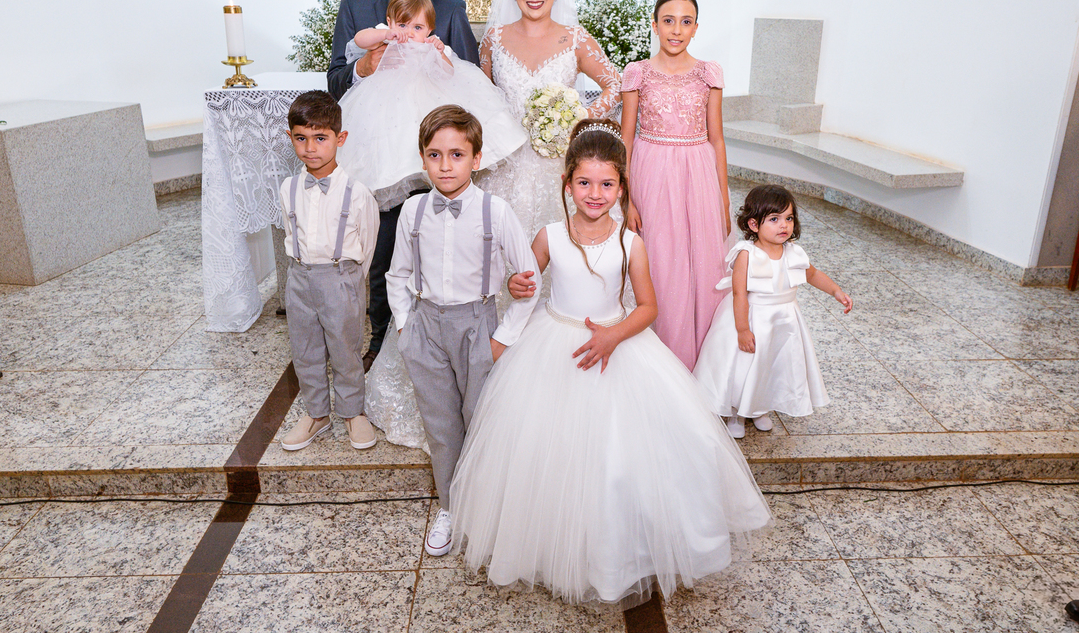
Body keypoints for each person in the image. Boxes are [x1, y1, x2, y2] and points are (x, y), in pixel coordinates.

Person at [449, 119, 772, 606]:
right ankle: (556, 546)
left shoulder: (629, 242)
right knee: (550, 452)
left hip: (617, 345)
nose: (594, 194)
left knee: (621, 457)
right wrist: (517, 284)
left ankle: (625, 551)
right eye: (584, 182)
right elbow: (523, 283)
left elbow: (648, 307)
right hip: (555, 346)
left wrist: (612, 337)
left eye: (606, 184)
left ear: (622, 187)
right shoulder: (549, 236)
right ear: (567, 183)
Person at [327, 0, 479, 370]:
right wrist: (366, 66)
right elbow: (334, 81)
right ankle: (381, 339)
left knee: (438, 247)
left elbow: (471, 80)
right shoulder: (356, 2)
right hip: (381, 149)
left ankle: (438, 340)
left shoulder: (450, 7)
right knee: (383, 248)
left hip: (438, 155)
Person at [385, 105, 541, 557]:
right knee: (440, 425)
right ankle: (450, 508)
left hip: (478, 326)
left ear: (476, 158)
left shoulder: (496, 211)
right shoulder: (413, 210)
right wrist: (405, 327)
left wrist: (502, 338)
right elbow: (397, 274)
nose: (445, 165)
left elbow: (529, 279)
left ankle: (487, 507)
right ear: (422, 158)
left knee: (481, 419)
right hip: (426, 327)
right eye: (435, 155)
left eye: (457, 154)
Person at [619, 0, 730, 372]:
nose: (677, 30)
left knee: (703, 266)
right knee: (662, 265)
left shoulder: (708, 74)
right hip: (651, 173)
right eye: (668, 20)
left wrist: (723, 199)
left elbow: (717, 139)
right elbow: (625, 140)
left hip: (698, 175)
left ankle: (704, 365)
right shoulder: (637, 73)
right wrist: (627, 199)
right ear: (654, 24)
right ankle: (661, 365)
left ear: (696, 27)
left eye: (686, 21)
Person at [477, 0, 622, 241]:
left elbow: (616, 86)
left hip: (559, 168)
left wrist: (581, 117)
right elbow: (483, 99)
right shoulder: (493, 40)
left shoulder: (576, 39)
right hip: (505, 166)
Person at [338, 0, 526, 210]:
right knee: (393, 147)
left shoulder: (431, 45)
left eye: (417, 27)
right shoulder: (385, 37)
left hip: (427, 105)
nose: (409, 33)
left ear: (429, 29)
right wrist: (385, 35)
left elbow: (449, 74)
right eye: (402, 25)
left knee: (430, 141)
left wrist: (439, 54)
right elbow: (359, 39)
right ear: (389, 21)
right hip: (388, 105)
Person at [693, 184, 853, 438]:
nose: (784, 226)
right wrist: (742, 329)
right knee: (744, 366)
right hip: (752, 318)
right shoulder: (747, 254)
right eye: (775, 219)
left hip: (784, 320)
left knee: (771, 366)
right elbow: (739, 294)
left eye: (789, 218)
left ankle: (760, 406)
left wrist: (835, 291)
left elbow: (812, 274)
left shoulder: (793, 252)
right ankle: (736, 412)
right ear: (754, 224)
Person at [277, 92, 381, 451]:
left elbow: (367, 244)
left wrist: (348, 283)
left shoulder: (357, 193)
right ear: (290, 137)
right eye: (301, 138)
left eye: (320, 138)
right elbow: (290, 232)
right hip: (299, 277)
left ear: (340, 138)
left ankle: (353, 412)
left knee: (345, 350)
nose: (310, 148)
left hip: (340, 278)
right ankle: (317, 414)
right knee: (304, 350)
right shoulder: (288, 188)